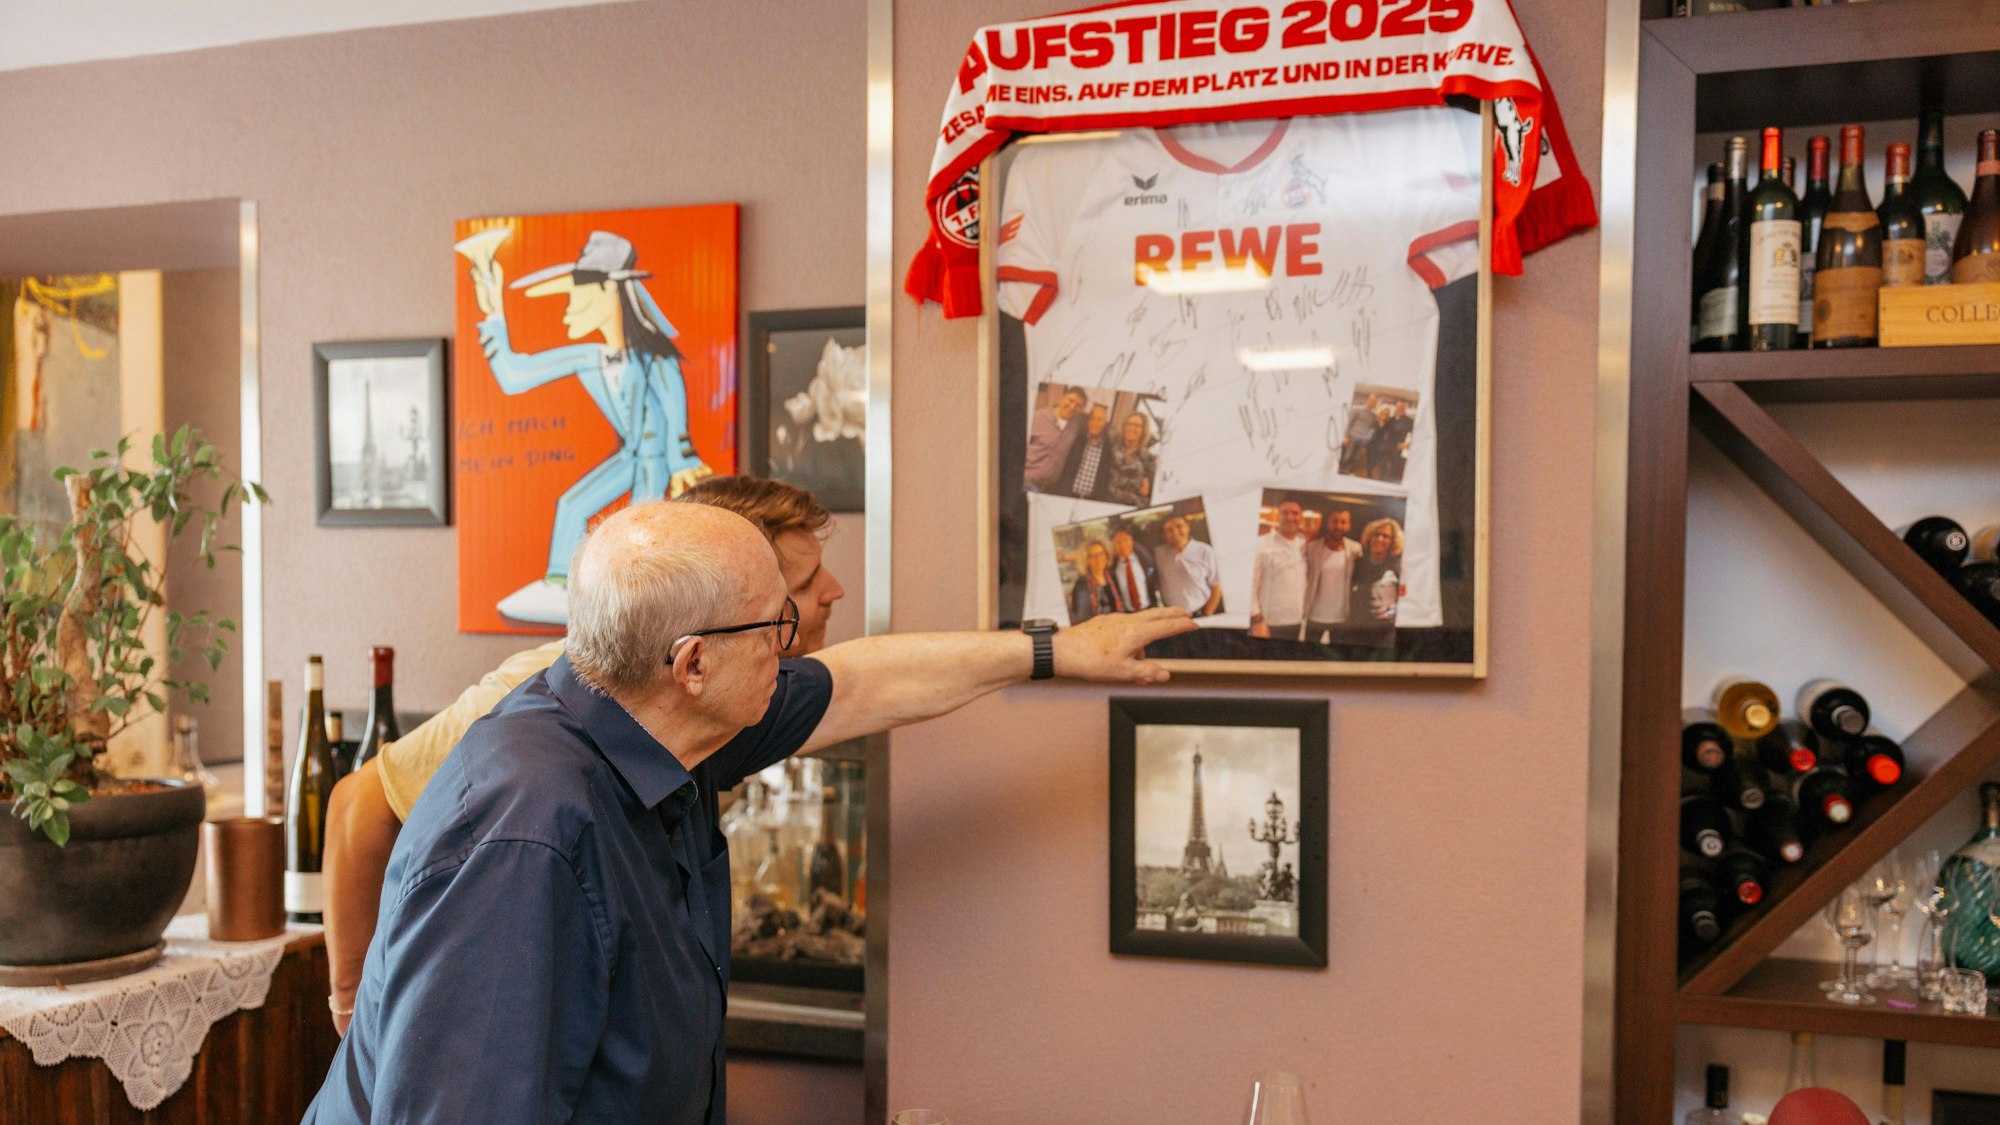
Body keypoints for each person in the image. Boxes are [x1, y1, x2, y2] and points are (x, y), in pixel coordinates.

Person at [305, 498, 1192, 1124]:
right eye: (778, 626)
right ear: (691, 662)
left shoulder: (668, 719)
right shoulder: (525, 835)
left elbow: (860, 680)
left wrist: (1052, 651)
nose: (797, 642)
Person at [320, 477, 847, 1033]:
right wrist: (350, 1009)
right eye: (799, 591)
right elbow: (359, 803)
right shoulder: (542, 754)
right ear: (696, 655)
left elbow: (863, 685)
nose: (832, 592)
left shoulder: (714, 705)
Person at [467, 230, 714, 625]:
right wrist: (492, 307)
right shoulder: (592, 357)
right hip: (630, 455)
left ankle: (641, 614)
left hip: (655, 462)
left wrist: (683, 459)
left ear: (606, 290)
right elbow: (514, 376)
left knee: (639, 540)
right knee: (572, 505)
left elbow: (674, 406)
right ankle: (559, 585)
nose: (566, 310)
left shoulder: (654, 357)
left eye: (573, 297)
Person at [1301, 507, 1362, 643]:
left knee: (1336, 659)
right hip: (1314, 616)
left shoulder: (1355, 549)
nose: (1338, 526)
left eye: (1343, 522)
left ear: (1349, 525)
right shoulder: (1312, 548)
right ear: (1328, 523)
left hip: (1342, 617)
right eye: (1335, 521)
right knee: (1308, 657)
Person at [1249, 500, 1308, 639]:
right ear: (1277, 516)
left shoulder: (1304, 543)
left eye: (1295, 513)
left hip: (1300, 623)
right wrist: (1256, 619)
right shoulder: (1261, 543)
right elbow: (1251, 583)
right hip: (1269, 623)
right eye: (1285, 513)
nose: (1290, 517)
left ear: (1301, 517)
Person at [1349, 517, 1406, 644]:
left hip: (1385, 635)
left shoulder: (1399, 567)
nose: (1379, 539)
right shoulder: (1359, 564)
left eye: (1385, 536)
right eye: (1376, 535)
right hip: (1358, 632)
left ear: (1393, 541)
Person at [1154, 515, 1223, 617]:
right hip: (1172, 617)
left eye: (1179, 526)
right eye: (1169, 530)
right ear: (1164, 534)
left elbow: (1216, 585)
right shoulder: (1158, 554)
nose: (1175, 532)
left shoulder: (1205, 551)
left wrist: (1207, 612)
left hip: (1201, 611)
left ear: (1188, 527)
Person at [1024, 386, 1088, 491]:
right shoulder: (1037, 417)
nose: (1072, 407)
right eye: (1070, 400)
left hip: (1050, 489)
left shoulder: (1076, 425)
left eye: (1078, 405)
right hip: (1027, 482)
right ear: (1062, 398)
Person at [1056, 403, 1113, 500]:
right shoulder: (1077, 440)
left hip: (1092, 500)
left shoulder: (1109, 448)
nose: (1095, 422)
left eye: (1099, 419)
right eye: (1092, 418)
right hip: (1068, 496)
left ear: (1105, 423)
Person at [1104, 411, 1157, 506]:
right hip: (1103, 499)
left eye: (1137, 425)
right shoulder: (1112, 445)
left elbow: (1149, 493)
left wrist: (1146, 491)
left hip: (1129, 505)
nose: (1131, 428)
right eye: (1129, 424)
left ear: (1143, 430)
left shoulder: (1148, 458)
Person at [1068, 540, 1122, 623]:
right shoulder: (1082, 584)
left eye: (1101, 554)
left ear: (1106, 556)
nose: (1098, 558)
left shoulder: (1112, 577)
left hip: (1119, 624)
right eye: (1092, 556)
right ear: (1087, 560)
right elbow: (1082, 618)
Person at [1106, 529, 1157, 612]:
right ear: (1113, 545)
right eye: (1118, 542)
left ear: (1131, 540)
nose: (1123, 545)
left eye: (1126, 540)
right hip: (1127, 614)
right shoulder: (1111, 567)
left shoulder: (1145, 558)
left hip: (1150, 608)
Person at [1340, 394, 1378, 478]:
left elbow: (1371, 429)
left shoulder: (1373, 416)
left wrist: (1367, 439)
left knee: (1356, 457)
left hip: (1362, 440)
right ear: (1367, 400)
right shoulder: (1357, 411)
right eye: (1371, 401)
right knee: (1348, 455)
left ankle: (1349, 472)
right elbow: (1349, 423)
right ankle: (1341, 471)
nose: (1372, 403)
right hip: (1353, 436)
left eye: (1374, 402)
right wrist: (1346, 436)